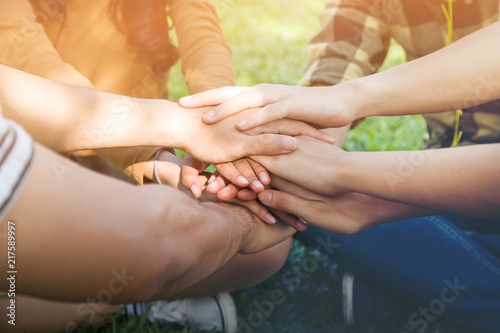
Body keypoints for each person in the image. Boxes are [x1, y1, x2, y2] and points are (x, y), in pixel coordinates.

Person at [178, 1, 500, 331]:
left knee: (318, 203)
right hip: (446, 175)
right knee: (300, 205)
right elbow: (342, 56)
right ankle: (421, 276)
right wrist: (289, 156)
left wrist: (342, 173)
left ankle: (413, 282)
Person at [0, 65, 332, 332]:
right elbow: (162, 232)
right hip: (81, 138)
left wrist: (217, 117)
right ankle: (127, 300)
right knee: (258, 252)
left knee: (263, 253)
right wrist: (242, 225)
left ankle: (127, 295)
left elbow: (15, 95)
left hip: (97, 136)